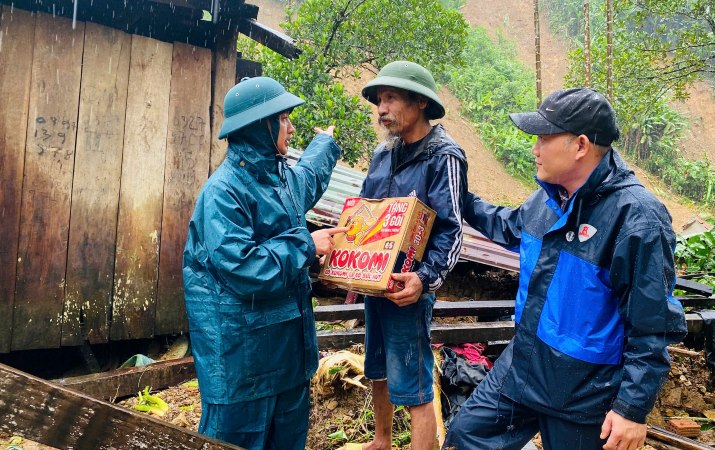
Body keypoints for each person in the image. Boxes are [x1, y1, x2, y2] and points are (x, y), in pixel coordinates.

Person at [443, 88, 687, 450]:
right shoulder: (550, 197)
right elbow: (508, 226)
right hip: (523, 368)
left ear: (580, 146)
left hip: (584, 392)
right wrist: (458, 196)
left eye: (543, 138)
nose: (534, 149)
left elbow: (650, 325)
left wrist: (631, 409)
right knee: (466, 437)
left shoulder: (636, 219)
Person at [182, 76, 346, 450]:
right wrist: (306, 245)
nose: (291, 127)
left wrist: (326, 142)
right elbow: (245, 269)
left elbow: (309, 177)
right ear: (261, 125)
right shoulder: (223, 193)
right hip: (243, 366)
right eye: (284, 118)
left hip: (288, 358)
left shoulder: (280, 176)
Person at [358, 61, 468, 450]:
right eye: (378, 101)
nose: (381, 109)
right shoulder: (382, 154)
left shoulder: (444, 156)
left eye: (390, 98)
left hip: (410, 287)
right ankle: (382, 441)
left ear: (420, 101)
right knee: (379, 368)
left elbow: (453, 231)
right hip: (376, 285)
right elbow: (366, 215)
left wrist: (424, 279)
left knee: (414, 380)